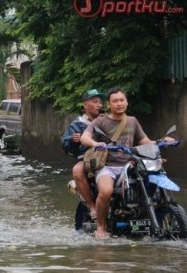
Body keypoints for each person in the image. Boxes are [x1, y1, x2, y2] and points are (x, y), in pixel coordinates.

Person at [79, 87, 174, 240]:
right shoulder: (101, 121)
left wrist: (162, 141)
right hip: (108, 167)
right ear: (109, 104)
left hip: (129, 165)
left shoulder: (132, 121)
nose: (119, 104)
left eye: (122, 100)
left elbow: (146, 142)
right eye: (115, 101)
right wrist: (96, 143)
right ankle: (101, 227)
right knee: (106, 191)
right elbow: (85, 137)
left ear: (127, 102)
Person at [61, 89, 105, 221]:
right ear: (85, 105)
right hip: (87, 158)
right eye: (95, 102)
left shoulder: (107, 120)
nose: (99, 105)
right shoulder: (77, 125)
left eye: (100, 102)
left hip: (109, 156)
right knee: (77, 170)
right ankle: (92, 207)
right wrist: (73, 141)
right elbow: (67, 148)